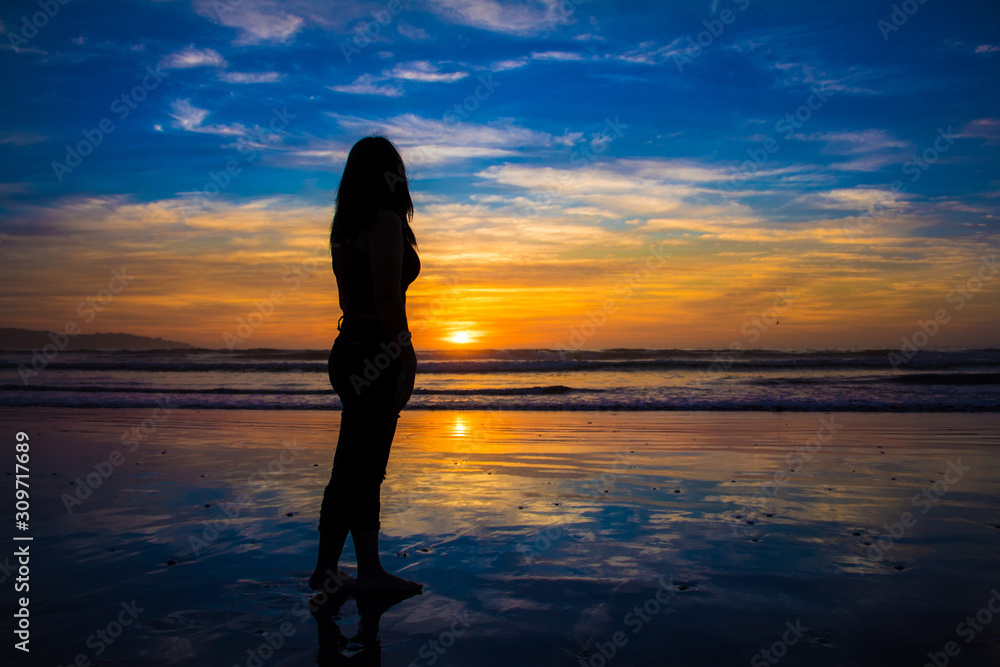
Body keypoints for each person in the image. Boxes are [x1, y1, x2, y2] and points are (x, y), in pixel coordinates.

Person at [310, 136, 422, 594]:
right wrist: (407, 354)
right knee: (358, 466)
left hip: (348, 346)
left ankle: (361, 569)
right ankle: (329, 571)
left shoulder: (345, 227)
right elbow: (386, 298)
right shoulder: (386, 222)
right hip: (376, 348)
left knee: (361, 463)